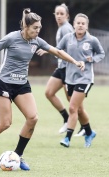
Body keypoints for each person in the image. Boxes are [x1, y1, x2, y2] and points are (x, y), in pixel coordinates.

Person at [0, 8, 84, 171]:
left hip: (21, 84)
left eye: (39, 28)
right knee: (5, 123)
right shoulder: (12, 37)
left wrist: (75, 61)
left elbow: (57, 52)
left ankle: (17, 155)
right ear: (26, 27)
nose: (38, 31)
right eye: (35, 28)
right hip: (3, 82)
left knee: (33, 118)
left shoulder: (36, 41)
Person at [36, 3, 85, 136]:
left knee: (73, 102)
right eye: (57, 13)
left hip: (68, 69)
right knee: (49, 92)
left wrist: (48, 51)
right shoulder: (61, 28)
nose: (59, 16)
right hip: (61, 68)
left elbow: (71, 46)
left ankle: (85, 127)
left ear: (67, 16)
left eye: (61, 14)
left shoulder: (66, 29)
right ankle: (66, 118)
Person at [57, 13, 105, 148]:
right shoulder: (68, 38)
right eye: (78, 23)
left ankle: (67, 138)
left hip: (85, 79)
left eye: (83, 23)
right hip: (70, 78)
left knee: (72, 107)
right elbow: (58, 50)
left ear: (87, 26)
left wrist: (92, 59)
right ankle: (89, 132)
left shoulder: (92, 40)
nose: (80, 25)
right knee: (78, 109)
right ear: (74, 24)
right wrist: (46, 51)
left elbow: (101, 53)